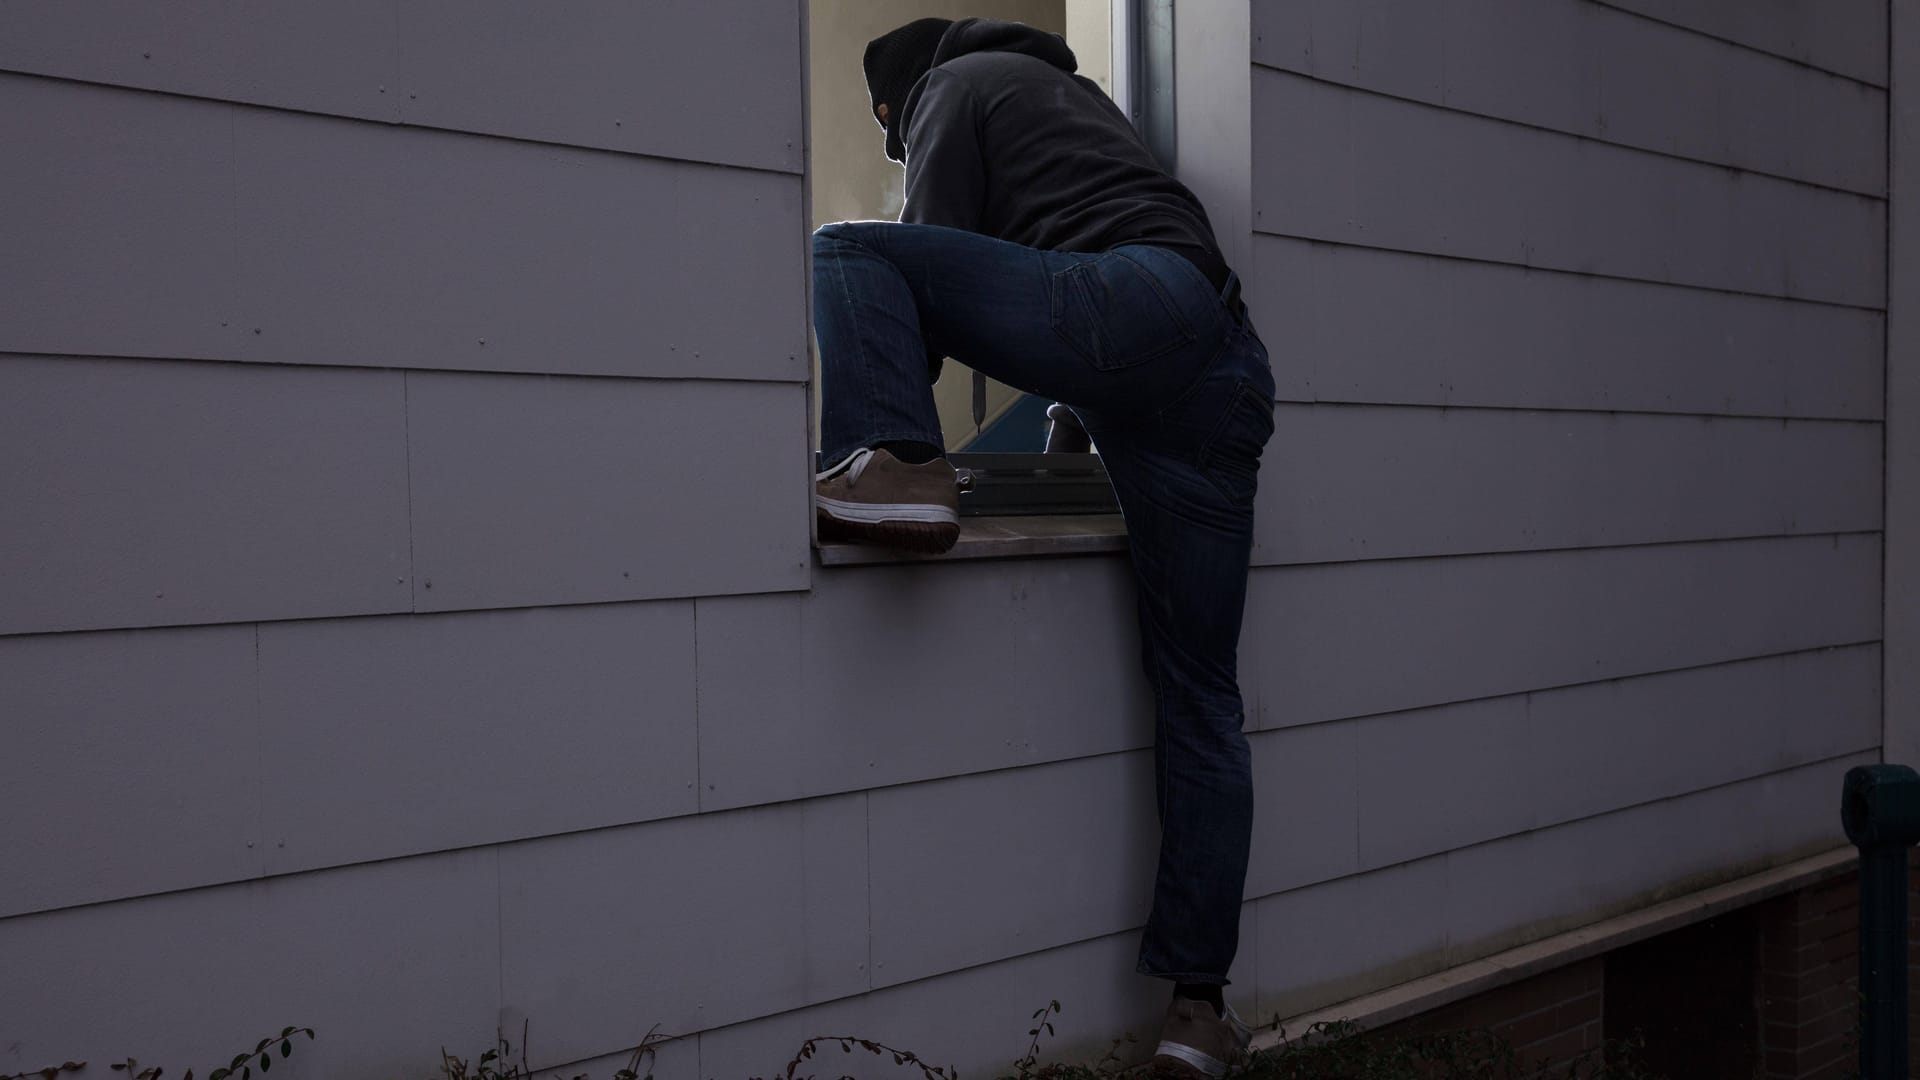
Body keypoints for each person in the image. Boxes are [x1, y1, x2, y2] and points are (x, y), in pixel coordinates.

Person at [812, 16, 1274, 1079]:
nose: (897, 143)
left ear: (897, 99)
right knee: (1201, 696)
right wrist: (1066, 435)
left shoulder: (951, 88)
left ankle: (890, 470)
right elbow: (1065, 295)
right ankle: (1197, 1016)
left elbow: (917, 281)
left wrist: (880, 409)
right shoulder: (1071, 107)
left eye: (890, 132)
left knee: (847, 249)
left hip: (1139, 309)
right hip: (1222, 364)